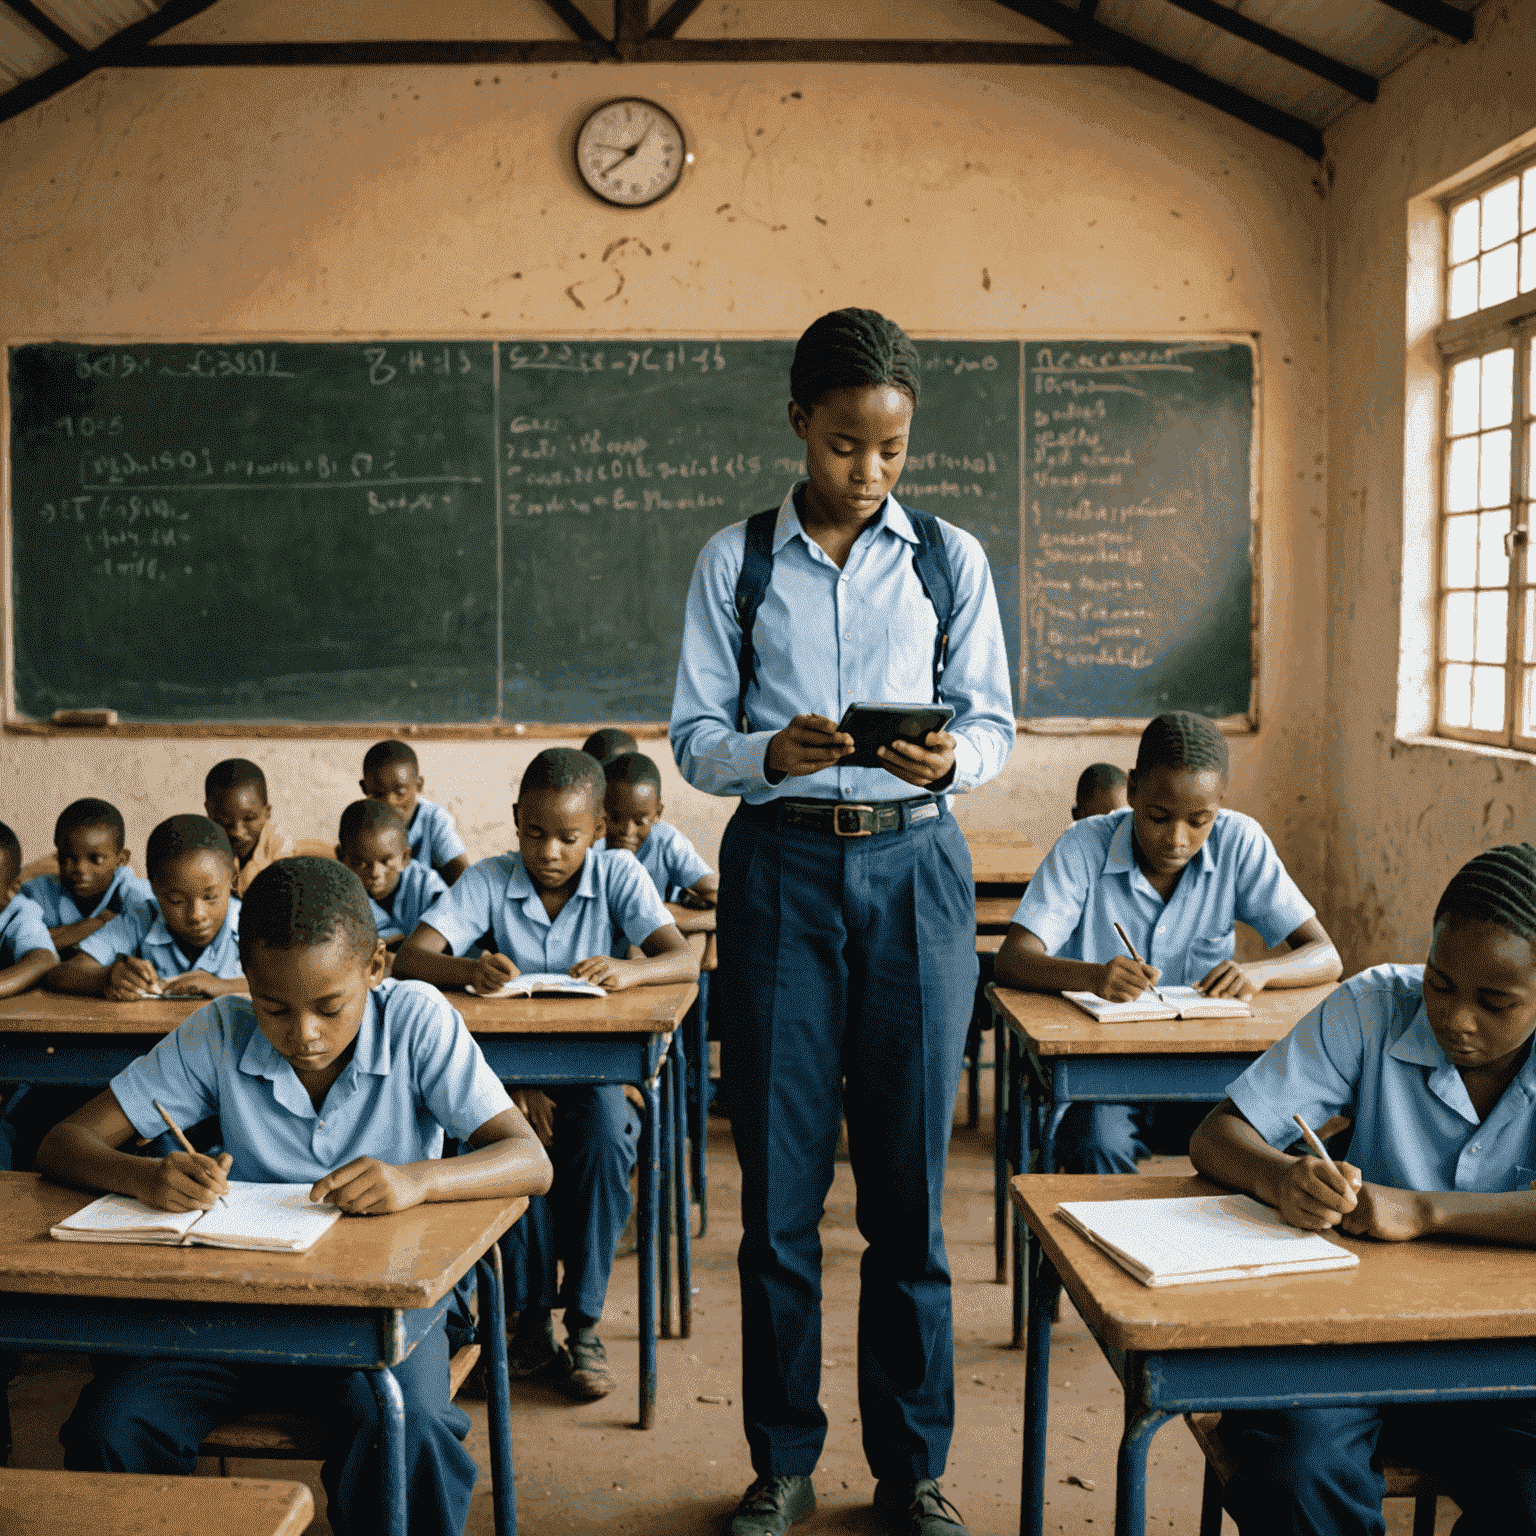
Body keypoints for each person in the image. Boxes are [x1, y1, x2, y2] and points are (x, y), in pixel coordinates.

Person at [670, 308, 1015, 1536]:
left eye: (892, 451)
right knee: (777, 1196)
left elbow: (994, 724)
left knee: (910, 1202)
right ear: (799, 424)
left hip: (918, 870)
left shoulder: (948, 560)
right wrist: (774, 750)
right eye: (845, 447)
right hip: (780, 872)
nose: (868, 473)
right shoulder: (738, 561)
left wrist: (944, 762)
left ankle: (911, 1468)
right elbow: (695, 741)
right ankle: (782, 1459)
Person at [39, 857, 551, 1536]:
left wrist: (415, 1179)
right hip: (238, 1305)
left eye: (330, 1007)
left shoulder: (416, 1021)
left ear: (375, 967)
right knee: (115, 1423)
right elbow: (64, 1143)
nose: (303, 1034)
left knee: (408, 1429)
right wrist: (145, 1176)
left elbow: (529, 1159)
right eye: (275, 1008)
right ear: (247, 981)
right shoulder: (219, 1029)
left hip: (385, 1304)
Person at [1190, 842, 1536, 1536]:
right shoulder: (1373, 1006)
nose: (1457, 1018)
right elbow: (1217, 1136)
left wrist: (1424, 1210)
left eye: (1495, 1002)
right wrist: (1281, 1176)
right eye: (1440, 983)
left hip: (1511, 1352)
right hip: (1347, 1341)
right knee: (1296, 1466)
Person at [394, 747, 697, 1402]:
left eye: (568, 837)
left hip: (595, 1076)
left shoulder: (618, 875)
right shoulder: (489, 880)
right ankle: (530, 1321)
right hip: (506, 1079)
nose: (550, 852)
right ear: (515, 822)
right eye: (535, 834)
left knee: (606, 1132)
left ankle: (585, 1321)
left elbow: (682, 961)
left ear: (597, 829)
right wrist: (469, 971)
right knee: (506, 1146)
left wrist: (631, 970)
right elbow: (411, 961)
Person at [994, 712, 1341, 1174]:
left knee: (1280, 1145)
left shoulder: (1239, 842)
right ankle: (1106, 1244)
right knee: (1095, 1142)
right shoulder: (1083, 847)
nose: (1177, 840)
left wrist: (1259, 971)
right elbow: (1013, 960)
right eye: (1158, 817)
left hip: (1209, 1067)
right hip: (1105, 1069)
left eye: (1199, 821)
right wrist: (1094, 976)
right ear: (1133, 790)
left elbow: (1326, 956)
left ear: (1221, 803)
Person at [47, 815, 246, 999]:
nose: (196, 915)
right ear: (154, 888)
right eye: (176, 901)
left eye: (210, 897)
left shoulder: (250, 921)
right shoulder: (142, 918)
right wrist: (106, 977)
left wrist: (223, 986)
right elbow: (60, 974)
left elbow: (278, 977)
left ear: (233, 881)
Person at [22, 797, 151, 955]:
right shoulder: (39, 891)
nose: (80, 869)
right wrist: (91, 925)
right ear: (57, 854)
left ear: (122, 859)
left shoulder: (137, 896)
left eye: (96, 859)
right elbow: (16, 945)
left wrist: (51, 937)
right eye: (68, 858)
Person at [602, 751, 717, 908]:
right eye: (615, 819)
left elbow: (715, 891)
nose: (628, 831)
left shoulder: (666, 840)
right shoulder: (592, 843)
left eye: (640, 821)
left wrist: (669, 915)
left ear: (657, 813)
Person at [335, 799, 448, 955]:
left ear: (405, 858)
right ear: (341, 857)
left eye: (386, 862)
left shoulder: (428, 888)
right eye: (360, 863)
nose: (375, 873)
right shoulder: (336, 895)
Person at [360, 740, 470, 885]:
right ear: (364, 788)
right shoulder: (361, 822)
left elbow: (463, 878)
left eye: (400, 793)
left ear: (418, 785)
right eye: (378, 795)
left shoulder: (434, 820)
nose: (390, 804)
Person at [204, 759, 294, 898]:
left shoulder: (280, 845)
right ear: (209, 813)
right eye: (225, 822)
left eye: (249, 819)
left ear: (267, 812)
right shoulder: (206, 847)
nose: (238, 832)